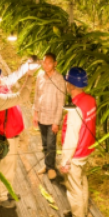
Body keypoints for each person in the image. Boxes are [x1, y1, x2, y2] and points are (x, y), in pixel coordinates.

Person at [0, 60, 38, 209]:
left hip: (12, 133)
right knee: (6, 167)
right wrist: (30, 77)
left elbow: (15, 75)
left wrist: (27, 64)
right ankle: (0, 197)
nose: (2, 76)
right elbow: (22, 97)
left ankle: (6, 191)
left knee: (10, 167)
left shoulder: (0, 84)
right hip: (7, 137)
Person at [59, 67, 97, 217]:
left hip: (76, 153)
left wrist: (65, 160)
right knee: (82, 182)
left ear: (71, 85)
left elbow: (71, 138)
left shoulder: (75, 108)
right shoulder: (90, 100)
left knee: (74, 188)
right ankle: (80, 211)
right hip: (87, 149)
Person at [32, 53, 66, 181]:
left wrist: (56, 122)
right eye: (44, 62)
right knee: (45, 142)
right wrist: (35, 113)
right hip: (42, 115)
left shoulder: (59, 79)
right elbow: (37, 95)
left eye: (49, 63)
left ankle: (51, 167)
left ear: (55, 64)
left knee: (51, 144)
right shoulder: (40, 76)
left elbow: (61, 102)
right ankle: (47, 165)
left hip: (52, 118)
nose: (46, 65)